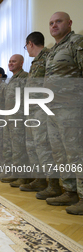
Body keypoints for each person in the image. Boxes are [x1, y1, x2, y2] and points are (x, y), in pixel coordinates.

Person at [43, 12, 83, 215]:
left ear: (69, 23)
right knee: (60, 153)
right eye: (51, 23)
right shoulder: (52, 50)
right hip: (53, 110)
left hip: (71, 109)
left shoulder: (77, 42)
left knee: (76, 154)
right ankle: (70, 191)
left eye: (58, 21)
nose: (54, 25)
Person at [19, 32, 62, 199]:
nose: (27, 50)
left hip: (43, 110)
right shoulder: (36, 61)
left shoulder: (48, 56)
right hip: (33, 110)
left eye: (26, 47)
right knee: (34, 147)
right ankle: (39, 179)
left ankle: (53, 185)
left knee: (44, 147)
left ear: (30, 44)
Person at [1, 54, 31, 186]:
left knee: (20, 148)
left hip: (19, 119)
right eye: (9, 61)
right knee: (11, 147)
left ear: (21, 63)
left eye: (14, 61)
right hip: (9, 118)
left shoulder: (25, 77)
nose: (11, 63)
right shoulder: (12, 79)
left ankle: (23, 176)